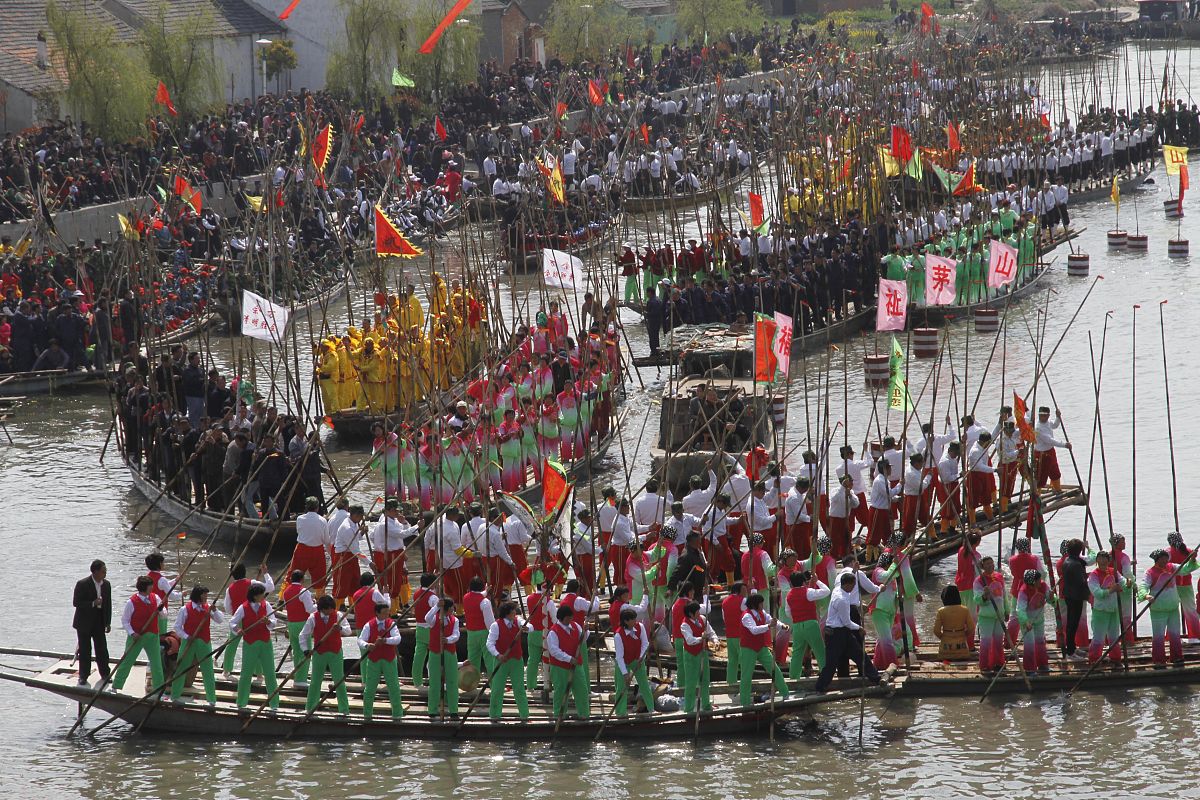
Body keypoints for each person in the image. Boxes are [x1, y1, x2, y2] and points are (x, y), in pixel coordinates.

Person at [814, 572, 882, 693]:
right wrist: (859, 628)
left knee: (860, 655)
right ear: (847, 585)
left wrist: (854, 570)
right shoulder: (843, 600)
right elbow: (847, 622)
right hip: (836, 634)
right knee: (831, 663)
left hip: (843, 633)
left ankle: (876, 678)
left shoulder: (837, 590)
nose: (854, 588)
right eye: (853, 585)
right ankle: (820, 687)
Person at [1143, 547, 1198, 666]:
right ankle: (1159, 659)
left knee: (1175, 634)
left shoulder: (1171, 567)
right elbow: (1143, 586)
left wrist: (1192, 559)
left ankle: (1177, 657)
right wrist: (1146, 596)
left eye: (1165, 558)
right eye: (1162, 559)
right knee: (1158, 636)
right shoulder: (1150, 572)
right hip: (1158, 609)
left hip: (1173, 608)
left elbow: (1185, 569)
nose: (1164, 561)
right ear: (1156, 560)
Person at [229, 582, 280, 711]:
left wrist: (268, 621)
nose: (264, 596)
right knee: (246, 674)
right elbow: (232, 623)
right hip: (250, 644)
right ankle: (241, 703)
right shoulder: (243, 607)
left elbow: (274, 622)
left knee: (270, 673)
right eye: (262, 594)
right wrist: (238, 630)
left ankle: (274, 704)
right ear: (255, 596)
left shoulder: (266, 605)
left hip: (265, 643)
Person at [111, 575, 166, 693]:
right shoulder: (131, 602)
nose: (152, 587)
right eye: (150, 586)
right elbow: (125, 621)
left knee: (157, 664)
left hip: (152, 636)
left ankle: (159, 689)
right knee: (127, 661)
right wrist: (132, 633)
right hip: (137, 636)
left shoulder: (155, 598)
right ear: (145, 587)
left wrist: (161, 610)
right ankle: (116, 686)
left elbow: (164, 616)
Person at [171, 585, 223, 706]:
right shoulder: (185, 609)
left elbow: (220, 620)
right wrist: (186, 636)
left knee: (208, 670)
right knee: (181, 668)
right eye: (204, 595)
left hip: (204, 643)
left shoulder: (208, 607)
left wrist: (215, 610)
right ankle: (175, 695)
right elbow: (177, 627)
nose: (206, 597)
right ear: (198, 596)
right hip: (189, 641)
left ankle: (211, 699)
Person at [738, 593, 789, 706]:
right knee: (746, 676)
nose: (762, 605)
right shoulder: (746, 616)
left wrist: (781, 626)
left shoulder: (762, 613)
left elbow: (771, 620)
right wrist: (768, 626)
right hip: (748, 648)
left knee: (774, 669)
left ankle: (785, 693)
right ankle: (745, 702)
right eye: (760, 603)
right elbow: (754, 630)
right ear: (755, 604)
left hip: (761, 647)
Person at [358, 601, 403, 720]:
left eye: (387, 613)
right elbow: (360, 640)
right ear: (377, 613)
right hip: (374, 660)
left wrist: (386, 641)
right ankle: (367, 715)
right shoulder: (369, 625)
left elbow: (398, 639)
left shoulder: (391, 623)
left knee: (394, 687)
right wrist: (367, 645)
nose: (386, 615)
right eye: (384, 613)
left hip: (389, 659)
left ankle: (398, 714)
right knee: (370, 688)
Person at [486, 601, 529, 721]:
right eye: (513, 611)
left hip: (516, 660)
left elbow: (529, 626)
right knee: (497, 689)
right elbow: (490, 643)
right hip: (502, 661)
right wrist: (498, 655)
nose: (515, 612)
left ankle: (524, 715)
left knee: (519, 689)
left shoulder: (518, 621)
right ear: (508, 613)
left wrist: (527, 627)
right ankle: (494, 715)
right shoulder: (496, 625)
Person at [545, 604, 589, 719]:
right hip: (560, 667)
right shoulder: (553, 632)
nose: (571, 620)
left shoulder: (576, 626)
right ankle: (559, 717)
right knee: (561, 693)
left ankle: (584, 715)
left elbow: (583, 639)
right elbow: (554, 651)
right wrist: (569, 659)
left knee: (582, 691)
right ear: (563, 618)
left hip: (576, 665)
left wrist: (586, 631)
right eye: (569, 618)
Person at [72, 559, 112, 685]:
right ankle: (83, 675)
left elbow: (108, 605)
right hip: (84, 622)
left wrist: (108, 622)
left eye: (105, 571)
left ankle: (105, 673)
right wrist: (93, 603)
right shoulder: (82, 584)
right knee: (85, 649)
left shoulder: (106, 585)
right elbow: (76, 603)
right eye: (103, 571)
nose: (105, 574)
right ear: (95, 572)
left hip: (99, 621)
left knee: (102, 649)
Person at [786, 570, 830, 677]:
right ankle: (825, 674)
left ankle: (793, 677)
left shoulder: (789, 595)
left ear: (791, 583)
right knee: (819, 650)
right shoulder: (808, 592)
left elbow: (788, 612)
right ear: (804, 582)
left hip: (797, 626)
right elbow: (827, 591)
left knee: (797, 653)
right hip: (811, 624)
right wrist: (817, 581)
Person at [1087, 551, 1127, 665]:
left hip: (1114, 609)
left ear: (1109, 560)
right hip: (1100, 611)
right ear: (1097, 560)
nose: (1103, 561)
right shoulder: (1093, 575)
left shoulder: (1113, 571)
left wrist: (1128, 583)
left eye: (1105, 558)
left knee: (1114, 637)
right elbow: (1097, 593)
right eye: (1100, 558)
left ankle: (1115, 659)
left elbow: (1123, 582)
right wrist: (1111, 590)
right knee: (1098, 638)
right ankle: (1094, 660)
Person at [613, 606, 654, 716]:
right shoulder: (618, 635)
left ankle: (651, 709)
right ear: (626, 621)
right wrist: (625, 674)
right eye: (633, 620)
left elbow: (645, 643)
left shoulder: (640, 627)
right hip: (623, 662)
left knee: (644, 685)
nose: (636, 621)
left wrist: (641, 657)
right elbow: (619, 657)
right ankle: (621, 713)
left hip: (637, 659)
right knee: (622, 687)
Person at [973, 556, 1009, 674]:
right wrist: (984, 595)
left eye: (991, 563)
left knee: (999, 641)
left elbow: (1004, 596)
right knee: (986, 642)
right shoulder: (979, 581)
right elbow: (977, 600)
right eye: (987, 564)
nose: (990, 565)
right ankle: (985, 666)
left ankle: (998, 663)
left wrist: (1006, 611)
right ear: (982, 567)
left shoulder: (999, 577)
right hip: (986, 616)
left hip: (999, 615)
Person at [679, 600, 717, 714]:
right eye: (697, 612)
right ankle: (689, 709)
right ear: (691, 614)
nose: (699, 614)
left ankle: (706, 705)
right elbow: (690, 641)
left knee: (705, 680)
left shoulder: (702, 619)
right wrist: (701, 638)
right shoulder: (684, 625)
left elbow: (711, 632)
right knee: (691, 683)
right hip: (690, 654)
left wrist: (715, 640)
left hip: (702, 653)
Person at [426, 597, 462, 717]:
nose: (453, 609)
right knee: (435, 682)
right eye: (451, 607)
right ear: (446, 608)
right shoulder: (434, 619)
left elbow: (456, 635)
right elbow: (427, 618)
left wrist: (447, 640)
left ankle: (453, 711)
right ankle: (432, 710)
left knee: (452, 681)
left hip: (450, 652)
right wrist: (437, 606)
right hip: (435, 651)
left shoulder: (454, 620)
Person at [1058, 539, 1090, 660]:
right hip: (1075, 596)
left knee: (1071, 623)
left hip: (1069, 595)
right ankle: (1070, 652)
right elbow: (1081, 582)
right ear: (1078, 550)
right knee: (1073, 624)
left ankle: (1071, 647)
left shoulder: (1067, 561)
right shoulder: (1076, 564)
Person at [291, 497, 330, 595]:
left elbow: (298, 532)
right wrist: (331, 553)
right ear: (317, 508)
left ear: (306, 507)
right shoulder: (322, 520)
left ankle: (284, 598)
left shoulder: (300, 519)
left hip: (302, 549)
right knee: (320, 577)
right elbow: (326, 540)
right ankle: (320, 598)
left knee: (293, 574)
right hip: (317, 551)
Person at [1016, 569, 1050, 674]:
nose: (1041, 581)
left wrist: (1052, 597)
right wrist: (1026, 622)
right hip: (1027, 621)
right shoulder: (1023, 591)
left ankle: (1043, 665)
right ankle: (1030, 669)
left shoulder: (1043, 586)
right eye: (1038, 580)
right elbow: (1020, 610)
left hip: (1039, 618)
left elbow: (1051, 600)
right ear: (1032, 582)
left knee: (1040, 642)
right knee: (1029, 644)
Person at [1031, 406, 1071, 489]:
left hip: (1050, 452)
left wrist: (1058, 417)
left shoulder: (1048, 422)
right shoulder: (1038, 428)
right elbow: (1049, 440)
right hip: (1041, 454)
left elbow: (1055, 425)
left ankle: (1057, 489)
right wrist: (1064, 445)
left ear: (1048, 415)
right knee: (1041, 476)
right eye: (1040, 415)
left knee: (1055, 472)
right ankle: (1036, 495)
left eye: (1044, 415)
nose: (1042, 417)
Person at [462, 576, 496, 674]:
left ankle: (471, 682)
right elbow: (489, 622)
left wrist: (486, 591)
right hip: (484, 632)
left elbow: (477, 595)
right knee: (489, 659)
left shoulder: (466, 597)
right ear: (481, 587)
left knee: (472, 659)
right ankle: (494, 684)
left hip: (471, 633)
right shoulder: (485, 602)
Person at [933, 585, 974, 662]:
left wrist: (944, 637)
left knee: (945, 656)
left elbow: (936, 631)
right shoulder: (965, 610)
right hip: (962, 652)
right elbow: (971, 628)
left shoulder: (941, 611)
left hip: (945, 653)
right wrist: (964, 635)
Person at [720, 581, 747, 687]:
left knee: (732, 661)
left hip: (729, 635)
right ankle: (744, 684)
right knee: (744, 661)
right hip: (740, 635)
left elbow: (724, 618)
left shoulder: (725, 601)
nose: (746, 592)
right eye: (744, 590)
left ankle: (731, 683)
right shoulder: (743, 600)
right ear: (739, 591)